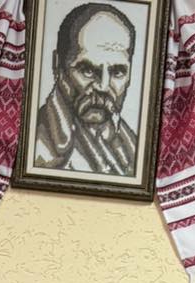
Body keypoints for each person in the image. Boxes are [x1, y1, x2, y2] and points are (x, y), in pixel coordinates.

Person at [34, 3, 139, 178]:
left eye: (117, 72)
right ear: (58, 64)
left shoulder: (132, 146)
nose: (103, 86)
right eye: (88, 70)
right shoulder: (39, 147)